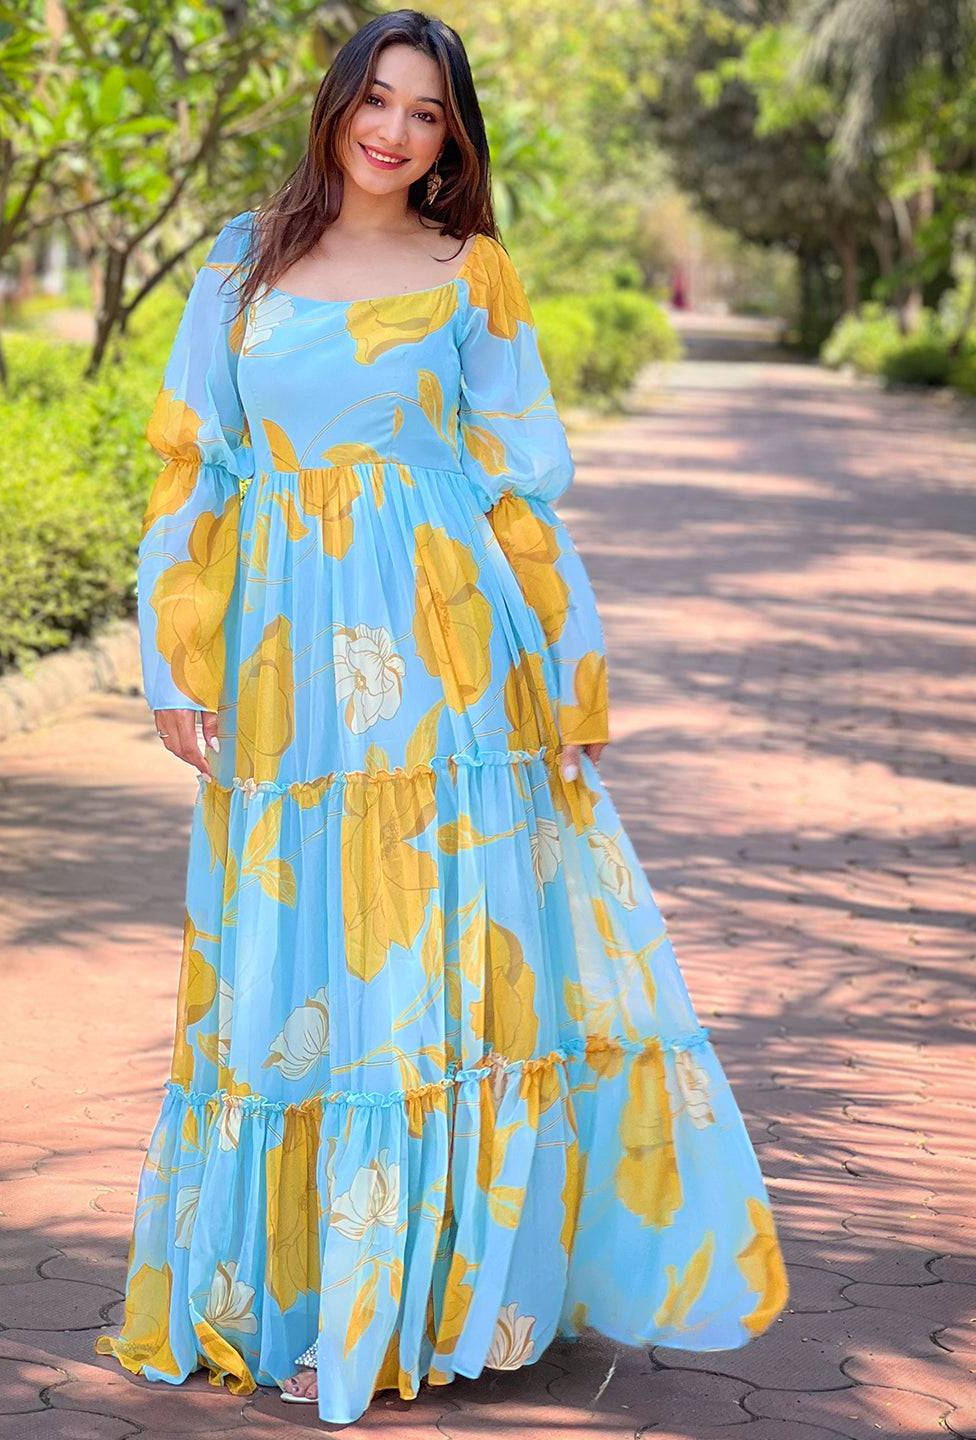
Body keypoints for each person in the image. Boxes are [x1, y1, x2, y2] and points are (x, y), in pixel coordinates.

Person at [94, 9, 788, 1425]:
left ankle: (421, 1306)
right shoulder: (243, 261)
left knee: (425, 970)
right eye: (378, 99)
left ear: (452, 139)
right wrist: (174, 663)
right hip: (292, 681)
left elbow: (517, 492)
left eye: (427, 114)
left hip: (448, 670)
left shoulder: (473, 276)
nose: (394, 131)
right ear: (338, 103)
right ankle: (293, 1296)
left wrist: (571, 672)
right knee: (298, 969)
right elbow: (193, 474)